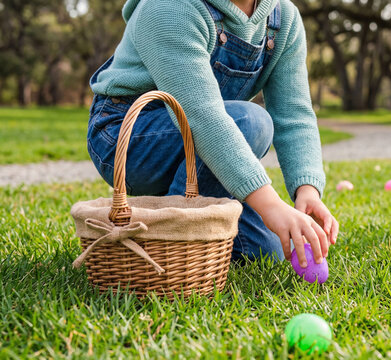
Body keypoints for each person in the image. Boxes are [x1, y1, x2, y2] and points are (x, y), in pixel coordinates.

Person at [86, 0, 339, 267]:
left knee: (269, 253)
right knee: (251, 122)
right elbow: (204, 117)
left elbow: (294, 114)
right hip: (128, 137)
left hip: (210, 143)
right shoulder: (169, 8)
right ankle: (175, 241)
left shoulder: (282, 19)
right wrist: (271, 206)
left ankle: (185, 221)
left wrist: (307, 190)